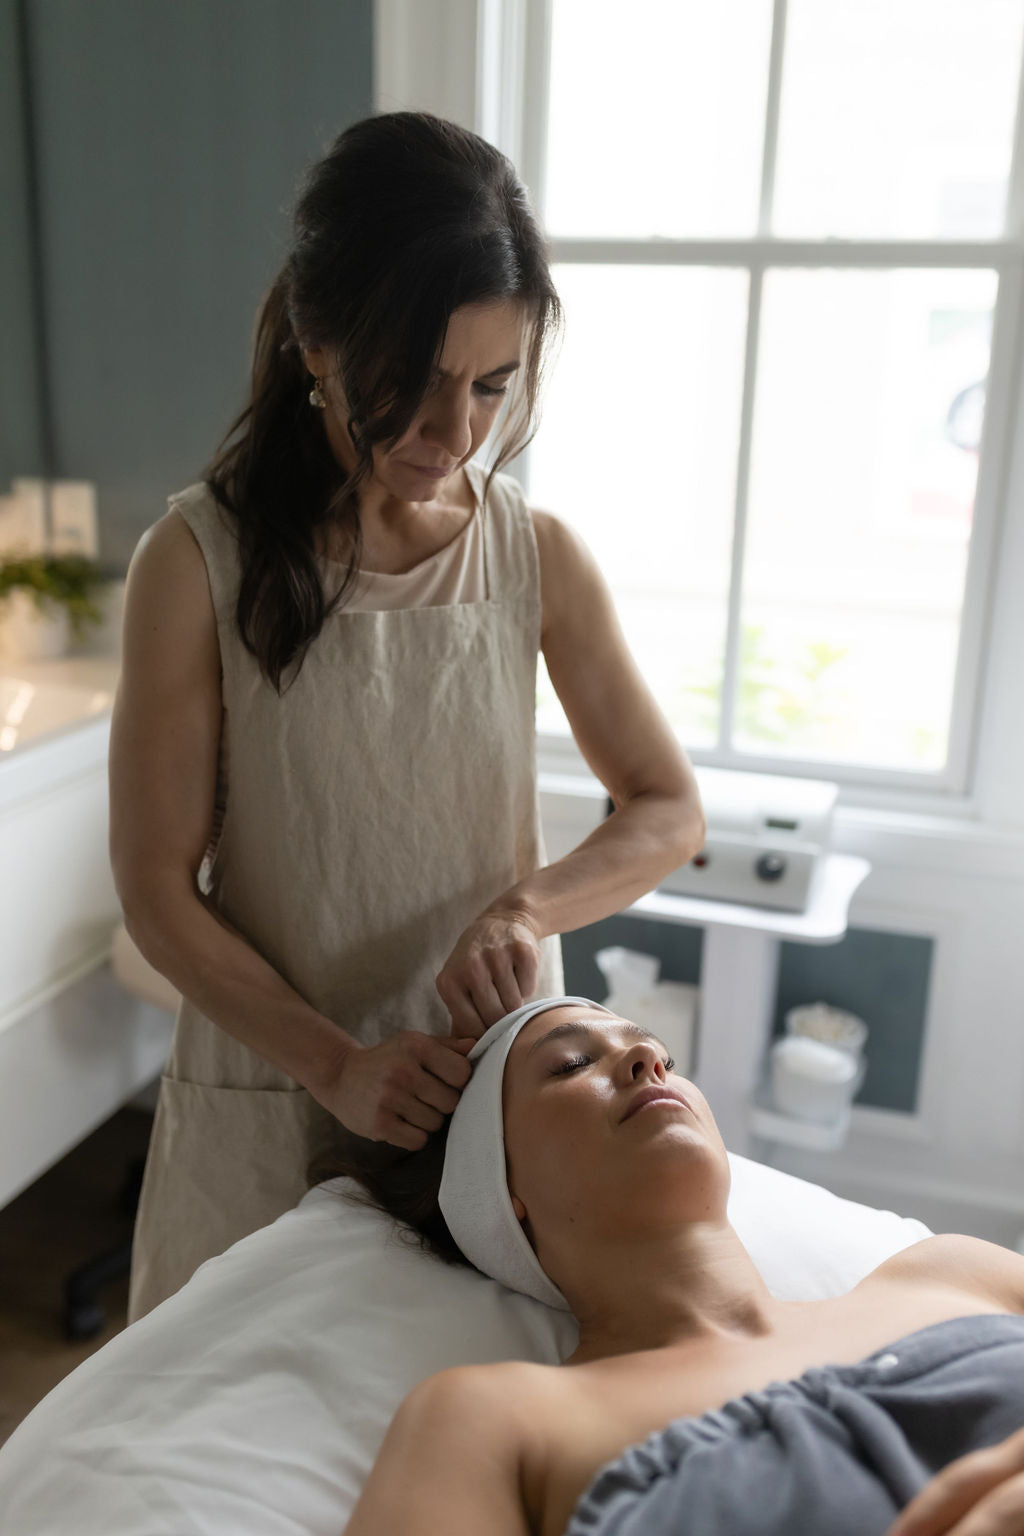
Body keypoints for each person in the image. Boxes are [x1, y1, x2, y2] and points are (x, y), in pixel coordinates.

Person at [109, 111, 704, 1320]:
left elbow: (665, 807)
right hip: (274, 1094)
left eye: (491, 387)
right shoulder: (195, 562)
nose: (455, 436)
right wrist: (334, 1063)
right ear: (319, 343)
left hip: (494, 1113)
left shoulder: (534, 557)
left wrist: (527, 904)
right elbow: (158, 892)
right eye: (413, 385)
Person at [339, 997, 1024, 1536]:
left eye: (660, 1050)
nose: (646, 1056)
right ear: (500, 1192)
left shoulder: (954, 1274)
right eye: (571, 1063)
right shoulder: (496, 1421)